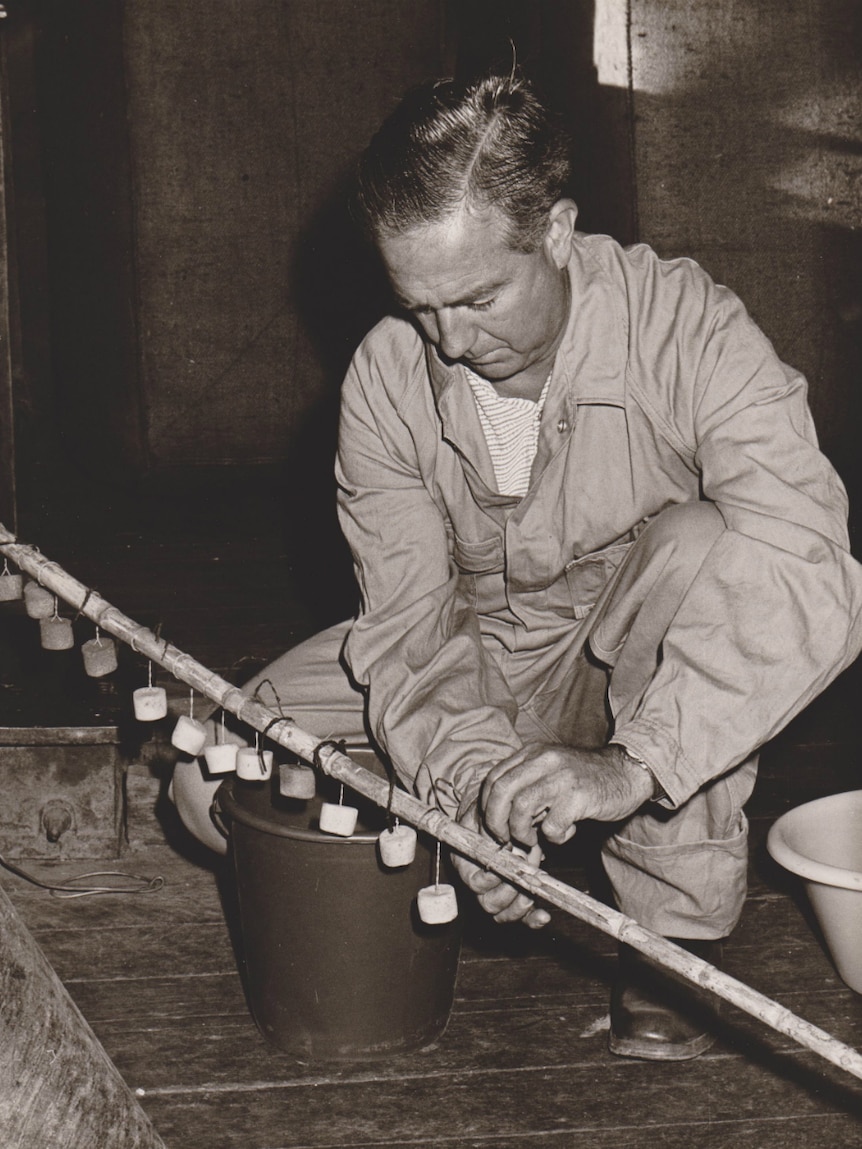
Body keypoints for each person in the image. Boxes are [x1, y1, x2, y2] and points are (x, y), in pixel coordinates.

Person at [172, 71, 862, 1061]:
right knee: (208, 783)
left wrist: (638, 765)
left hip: (625, 660)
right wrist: (470, 791)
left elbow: (811, 562)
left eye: (478, 298)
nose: (451, 342)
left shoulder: (691, 331)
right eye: (420, 306)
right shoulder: (388, 371)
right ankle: (477, 858)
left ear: (557, 231)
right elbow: (409, 624)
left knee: (709, 545)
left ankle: (666, 944)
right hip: (476, 654)